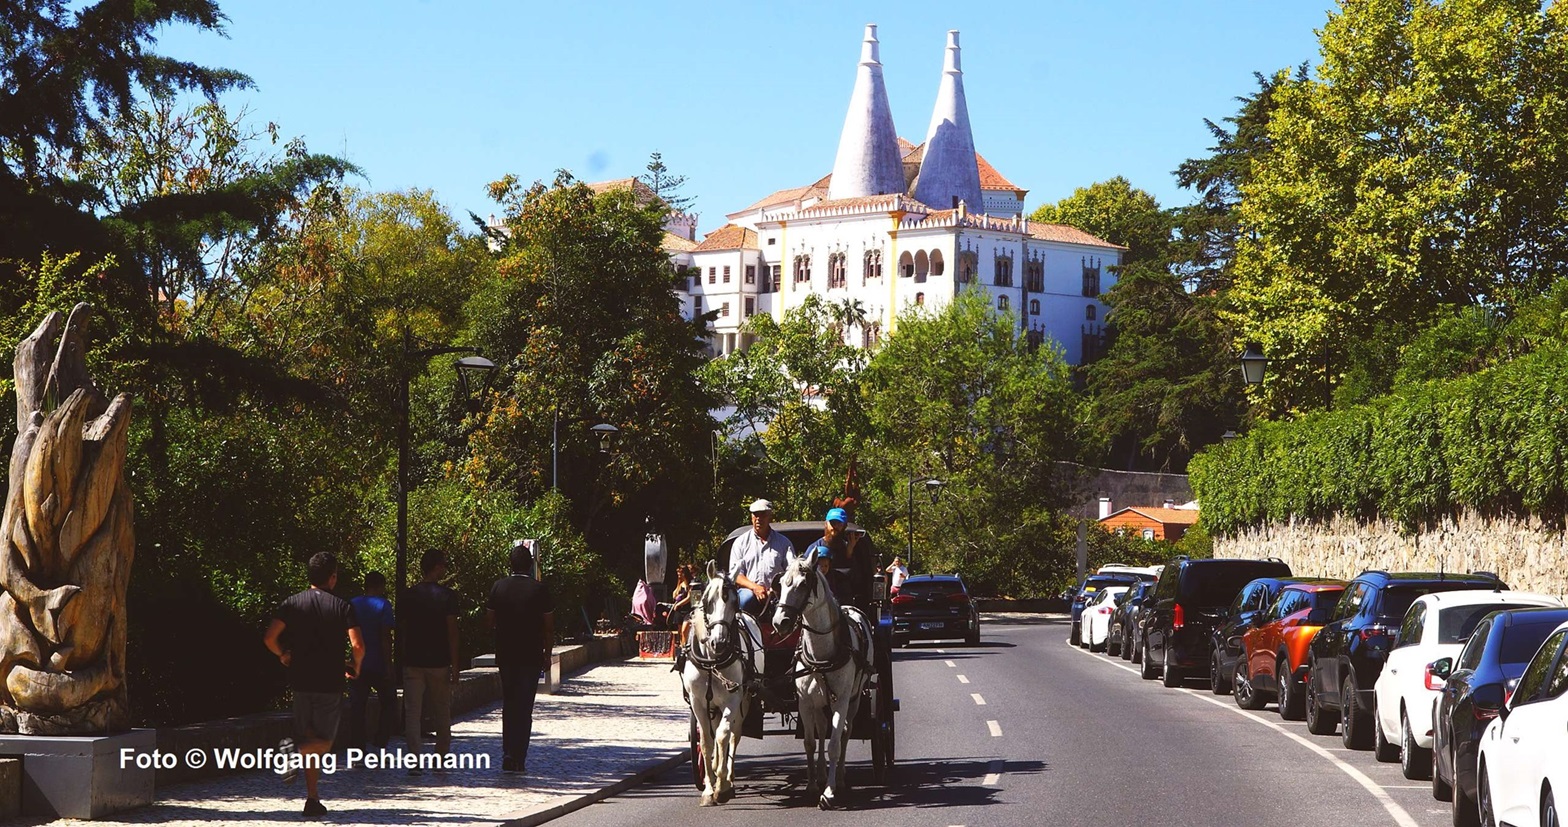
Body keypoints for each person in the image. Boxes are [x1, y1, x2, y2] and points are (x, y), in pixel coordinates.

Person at [263, 552, 363, 819]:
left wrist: (283, 654)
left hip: (300, 682)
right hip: (329, 683)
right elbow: (358, 645)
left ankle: (312, 798)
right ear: (332, 577)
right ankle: (295, 753)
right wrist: (356, 666)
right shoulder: (342, 606)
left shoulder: (292, 603)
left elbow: (270, 637)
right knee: (324, 741)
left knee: (309, 736)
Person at [488, 540, 555, 774]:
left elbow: (490, 621)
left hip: (506, 655)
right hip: (530, 655)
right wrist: (547, 654)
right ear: (531, 565)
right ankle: (519, 756)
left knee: (509, 703)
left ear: (510, 564)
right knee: (524, 707)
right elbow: (548, 626)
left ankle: (507, 752)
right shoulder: (540, 590)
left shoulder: (498, 587)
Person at [401, 550, 460, 774]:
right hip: (439, 662)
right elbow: (452, 633)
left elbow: (403, 631)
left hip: (413, 662)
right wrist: (455, 665)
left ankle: (414, 761)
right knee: (442, 711)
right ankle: (441, 757)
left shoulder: (408, 596)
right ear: (436, 567)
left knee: (412, 713)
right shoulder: (447, 596)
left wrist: (403, 659)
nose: (445, 569)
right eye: (443, 565)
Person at [347, 571, 395, 751]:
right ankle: (380, 741)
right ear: (380, 586)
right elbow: (385, 636)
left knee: (357, 706)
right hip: (378, 663)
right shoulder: (383, 605)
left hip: (357, 662)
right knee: (389, 702)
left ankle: (357, 746)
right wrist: (389, 665)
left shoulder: (352, 604)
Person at [728, 499, 793, 617]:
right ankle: (742, 632)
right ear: (751, 517)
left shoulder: (784, 543)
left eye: (763, 515)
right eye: (755, 515)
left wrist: (776, 589)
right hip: (749, 592)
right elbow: (736, 575)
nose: (758, 518)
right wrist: (755, 588)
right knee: (744, 599)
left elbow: (791, 572)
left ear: (770, 517)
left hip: (778, 594)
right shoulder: (741, 542)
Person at [805, 507, 865, 606]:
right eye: (832, 523)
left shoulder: (848, 547)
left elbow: (856, 579)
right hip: (817, 601)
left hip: (843, 602)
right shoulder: (814, 548)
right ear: (826, 524)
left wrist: (849, 553)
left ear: (844, 526)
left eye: (839, 524)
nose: (835, 527)